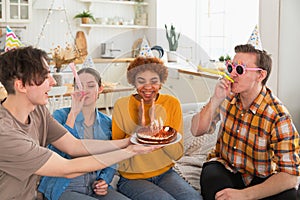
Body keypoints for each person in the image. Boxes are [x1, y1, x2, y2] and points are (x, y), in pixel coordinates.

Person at [0, 46, 159, 200]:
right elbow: (68, 169)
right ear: (20, 85)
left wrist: (129, 141)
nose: (53, 82)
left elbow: (75, 146)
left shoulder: (38, 111)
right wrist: (131, 151)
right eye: (44, 76)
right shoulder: (5, 135)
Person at [191, 44, 300, 200]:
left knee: (290, 196)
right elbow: (196, 130)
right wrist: (215, 99)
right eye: (231, 67)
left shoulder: (278, 116)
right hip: (226, 167)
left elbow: (291, 176)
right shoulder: (227, 96)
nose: (233, 74)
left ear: (260, 75)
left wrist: (245, 195)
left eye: (240, 69)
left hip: (263, 177)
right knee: (214, 185)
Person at [112, 56, 202, 200]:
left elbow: (177, 153)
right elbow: (117, 152)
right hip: (132, 178)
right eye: (141, 81)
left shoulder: (171, 104)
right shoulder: (121, 105)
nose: (148, 87)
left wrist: (158, 135)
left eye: (154, 81)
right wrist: (141, 129)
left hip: (165, 173)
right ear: (133, 82)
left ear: (161, 83)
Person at [38, 67, 129, 200]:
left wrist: (104, 180)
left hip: (94, 186)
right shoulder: (60, 116)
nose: (84, 90)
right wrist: (73, 114)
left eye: (91, 86)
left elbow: (111, 156)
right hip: (64, 187)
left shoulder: (107, 123)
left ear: (100, 89)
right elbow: (58, 152)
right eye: (79, 86)